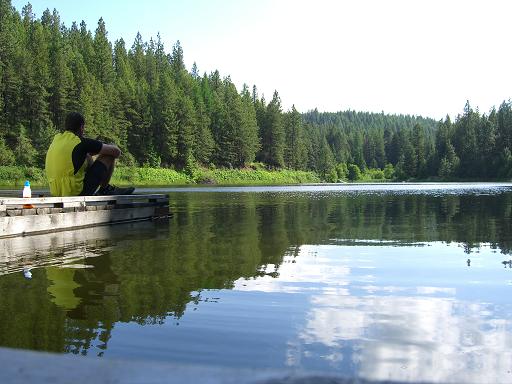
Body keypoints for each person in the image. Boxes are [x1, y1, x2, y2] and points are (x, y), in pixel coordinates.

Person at [45, 112, 134, 196]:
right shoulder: (80, 142)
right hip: (76, 193)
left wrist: (87, 153)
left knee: (86, 156)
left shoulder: (56, 140)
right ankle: (105, 189)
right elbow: (116, 152)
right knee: (110, 154)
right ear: (81, 127)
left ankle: (105, 188)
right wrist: (97, 151)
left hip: (57, 192)